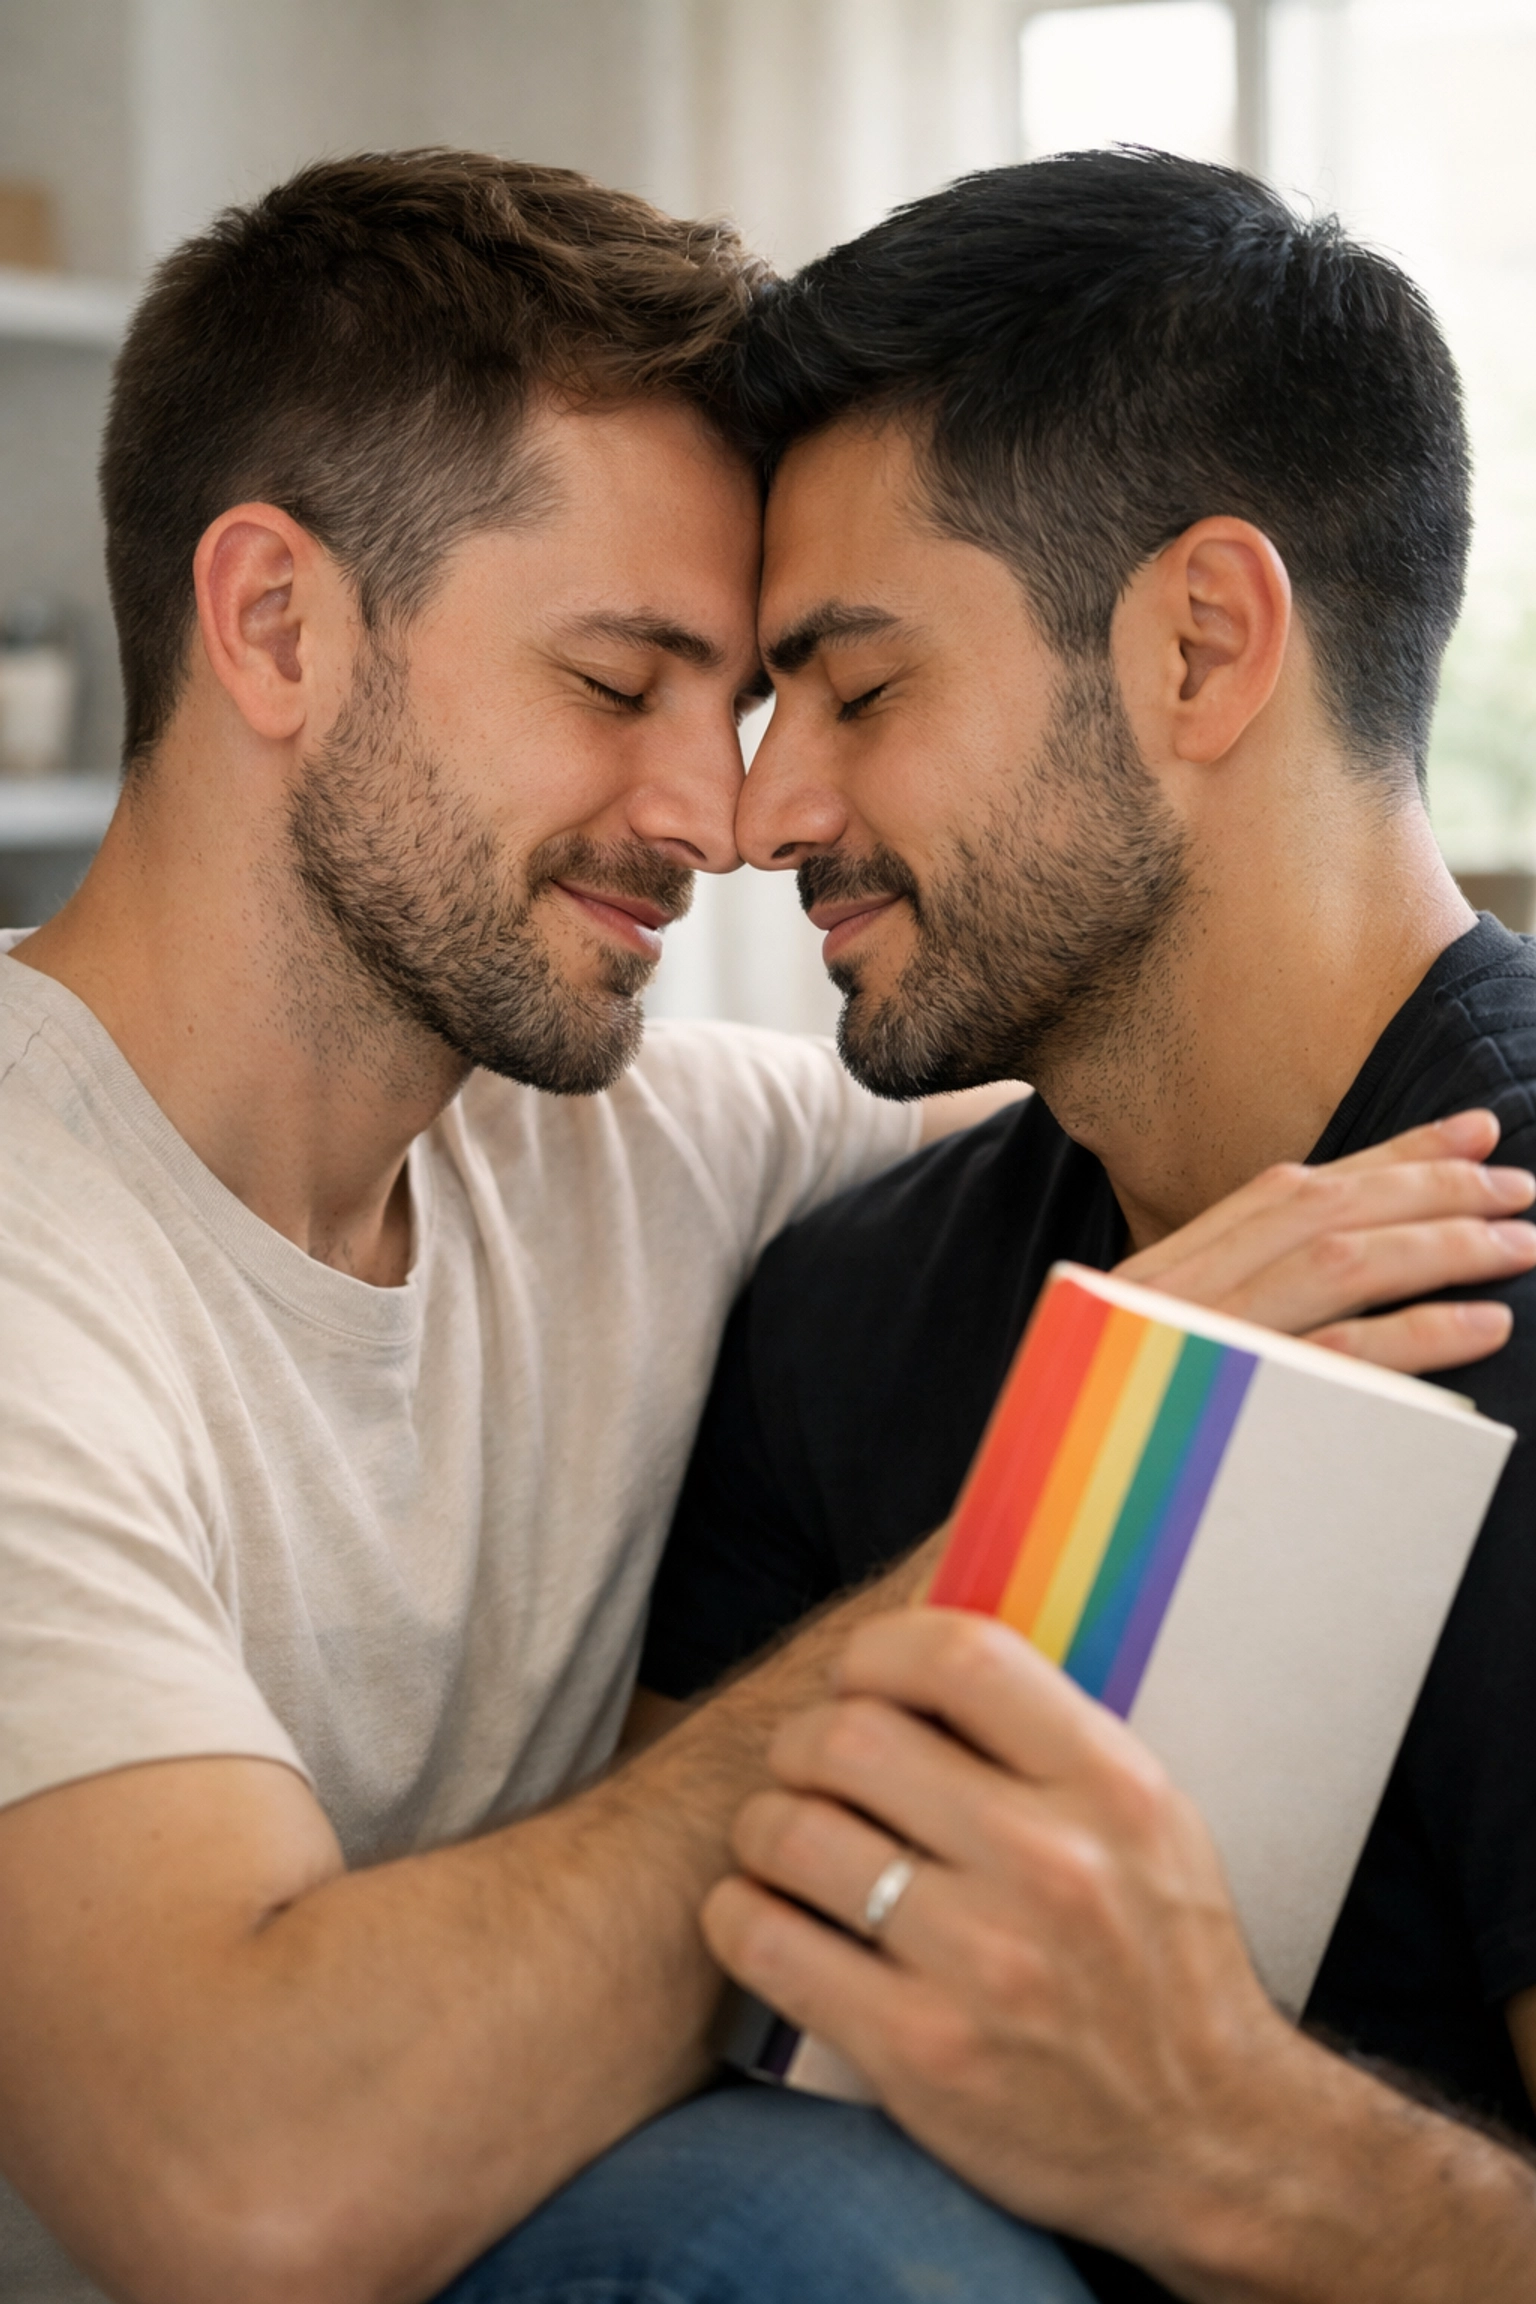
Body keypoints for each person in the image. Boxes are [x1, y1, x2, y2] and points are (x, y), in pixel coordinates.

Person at [0, 148, 1525, 2304]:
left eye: (805, 699)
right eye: (623, 685)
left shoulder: (666, 1157)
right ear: (273, 626)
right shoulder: (32, 1249)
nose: (729, 820)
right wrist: (1073, 1488)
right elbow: (242, 2187)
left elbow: (1183, 1037)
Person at [640, 153, 1536, 2299]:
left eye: (855, 692)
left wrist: (1219, 2133)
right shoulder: (840, 1317)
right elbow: (679, 2061)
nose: (762, 813)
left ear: (1201, 643)